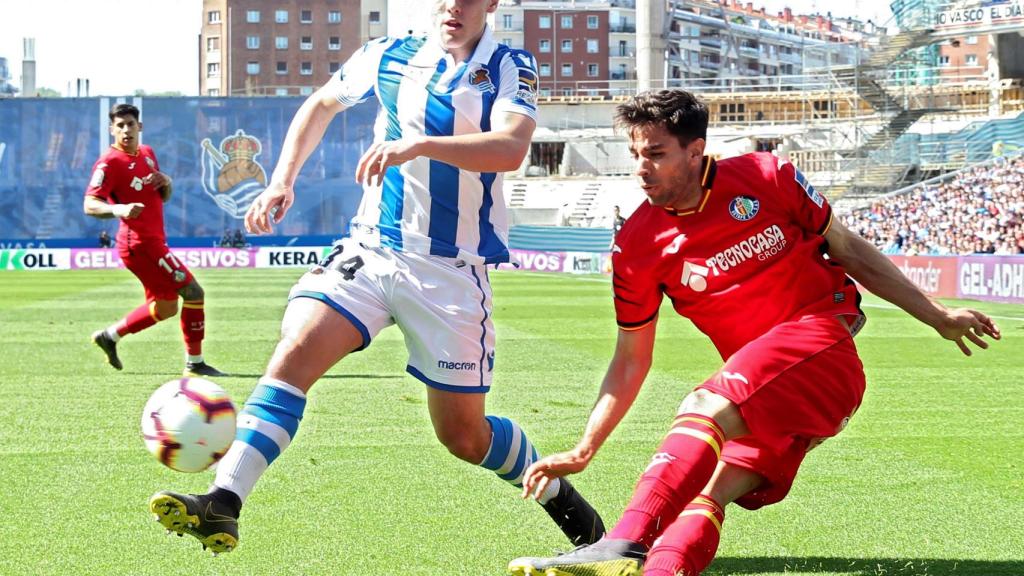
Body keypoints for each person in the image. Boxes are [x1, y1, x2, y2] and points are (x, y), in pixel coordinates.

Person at [148, 0, 604, 557]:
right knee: (293, 354)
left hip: (449, 272)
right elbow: (320, 103)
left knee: (464, 436)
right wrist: (281, 181)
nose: (452, 7)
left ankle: (565, 502)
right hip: (372, 249)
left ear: (492, 4)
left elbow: (510, 148)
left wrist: (419, 144)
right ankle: (224, 500)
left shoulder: (510, 64)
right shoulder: (390, 53)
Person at [507, 89, 1001, 576]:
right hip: (765, 392)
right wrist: (585, 447)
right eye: (635, 154)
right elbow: (631, 358)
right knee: (702, 495)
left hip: (822, 348)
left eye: (656, 154)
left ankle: (621, 544)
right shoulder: (636, 245)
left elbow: (847, 248)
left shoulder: (768, 176)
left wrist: (937, 315)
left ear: (696, 150)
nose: (641, 167)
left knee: (704, 406)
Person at [84, 103, 226, 377]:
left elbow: (163, 196)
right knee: (194, 293)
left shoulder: (148, 154)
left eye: (130, 124)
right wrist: (118, 209)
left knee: (166, 307)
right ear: (112, 129)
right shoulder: (109, 162)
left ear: (140, 127)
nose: (126, 130)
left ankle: (109, 336)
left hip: (153, 242)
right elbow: (90, 204)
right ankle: (195, 364)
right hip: (138, 244)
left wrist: (166, 182)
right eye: (120, 125)